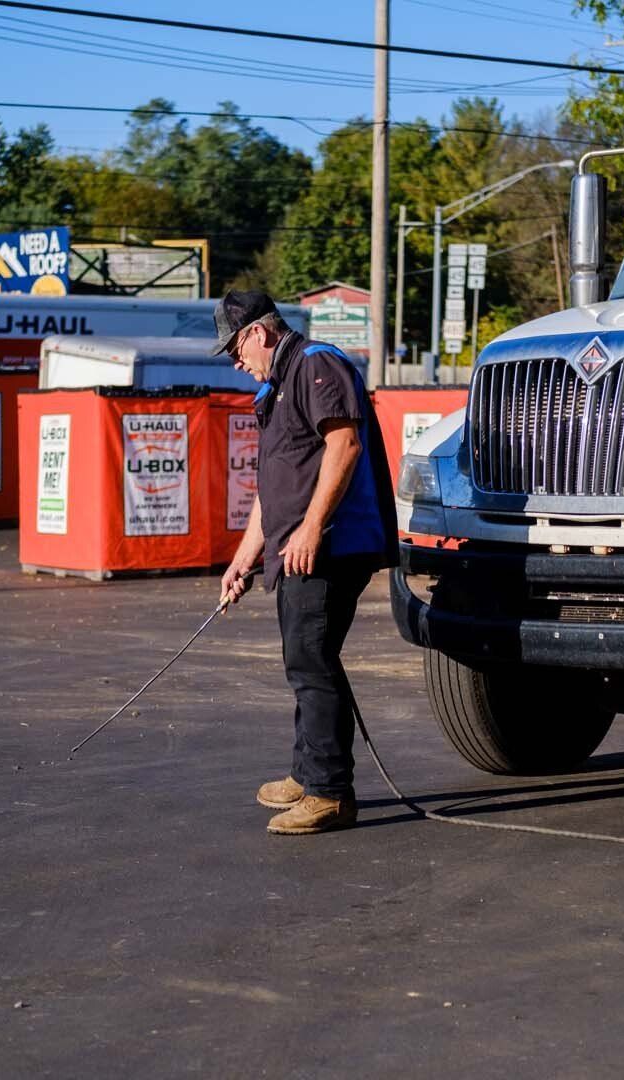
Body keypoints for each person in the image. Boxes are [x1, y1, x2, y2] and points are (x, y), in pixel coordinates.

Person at [213, 290, 398, 835]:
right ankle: (308, 772)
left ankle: (329, 794)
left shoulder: (318, 364)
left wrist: (312, 527)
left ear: (257, 333)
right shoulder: (276, 386)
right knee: (305, 659)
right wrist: (244, 559)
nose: (234, 362)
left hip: (331, 546)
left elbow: (344, 447)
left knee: (311, 661)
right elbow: (277, 484)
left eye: (234, 349)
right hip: (296, 546)